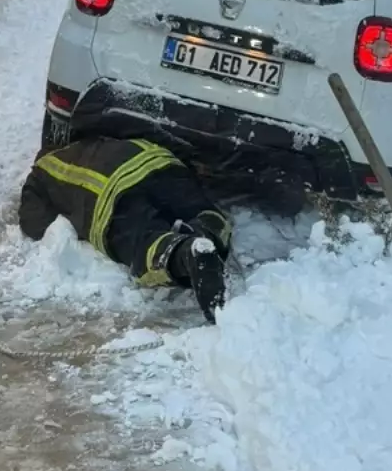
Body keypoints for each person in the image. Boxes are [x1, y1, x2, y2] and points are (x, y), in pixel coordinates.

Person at [19, 90, 232, 322]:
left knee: (143, 242)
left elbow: (33, 223)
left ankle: (186, 253)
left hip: (115, 193)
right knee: (202, 209)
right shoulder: (98, 137)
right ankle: (207, 231)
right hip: (163, 165)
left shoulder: (42, 171)